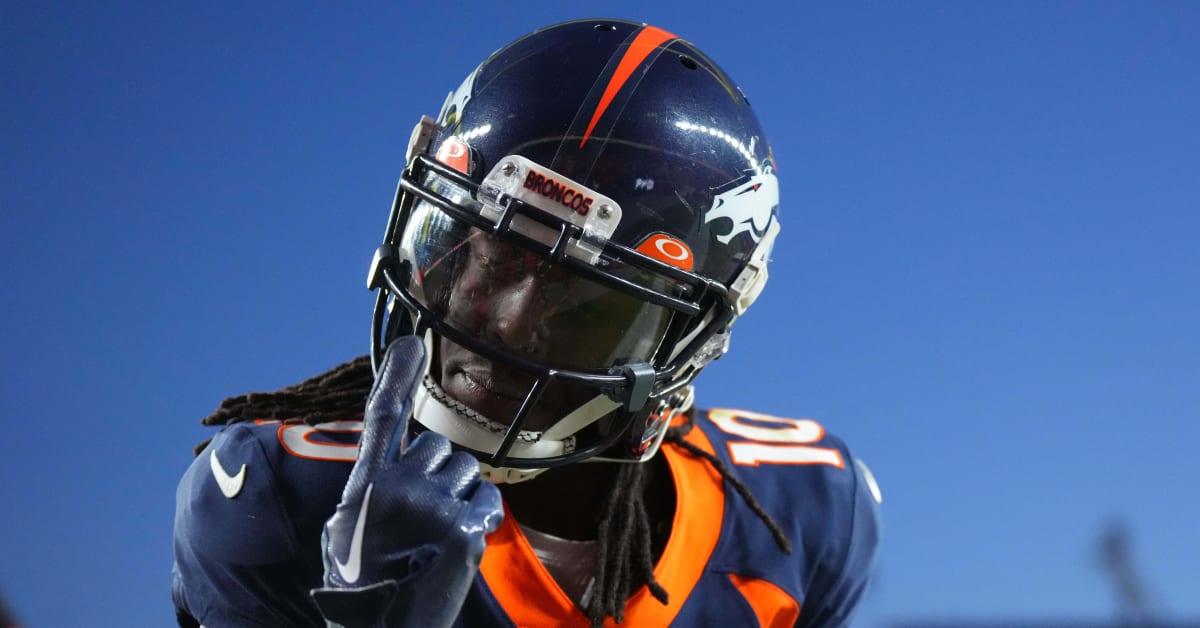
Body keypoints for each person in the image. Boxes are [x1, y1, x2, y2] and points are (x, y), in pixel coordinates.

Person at [172, 18, 882, 628]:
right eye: (481, 253)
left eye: (585, 300)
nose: (507, 325)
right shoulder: (275, 499)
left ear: (689, 339)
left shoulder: (803, 513)